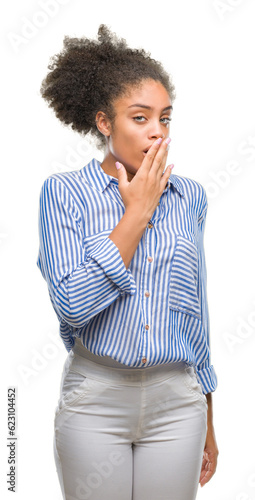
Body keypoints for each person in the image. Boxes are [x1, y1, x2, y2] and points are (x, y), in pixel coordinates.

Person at [37, 24, 219, 500]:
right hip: (96, 397)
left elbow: (194, 310)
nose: (157, 131)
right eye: (140, 118)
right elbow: (73, 306)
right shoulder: (64, 194)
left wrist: (209, 415)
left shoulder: (189, 196)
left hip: (178, 402)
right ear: (104, 123)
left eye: (165, 118)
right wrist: (136, 212)